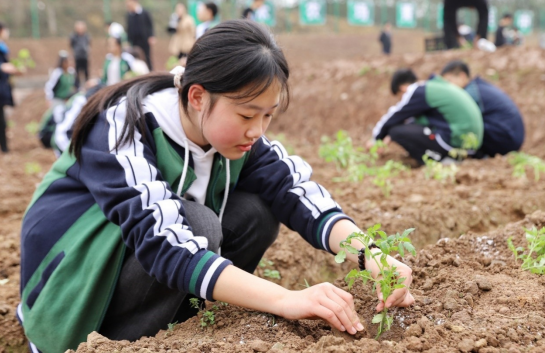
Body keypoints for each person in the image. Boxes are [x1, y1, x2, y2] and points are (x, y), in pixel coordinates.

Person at [18, 20, 414, 353]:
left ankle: (184, 327)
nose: (256, 131)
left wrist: (371, 255)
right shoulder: (126, 126)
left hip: (138, 260)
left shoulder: (236, 137)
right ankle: (123, 342)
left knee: (256, 213)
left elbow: (295, 190)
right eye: (246, 114)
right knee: (199, 226)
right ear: (197, 97)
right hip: (71, 280)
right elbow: (163, 241)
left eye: (267, 116)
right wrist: (286, 300)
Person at [367, 68, 483, 165]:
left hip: (453, 142)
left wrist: (376, 139)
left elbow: (394, 116)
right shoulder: (434, 88)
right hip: (471, 146)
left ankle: (439, 159)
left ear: (402, 88)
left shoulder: (417, 91)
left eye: (400, 97)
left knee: (395, 131)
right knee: (408, 127)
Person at [441, 60, 524, 157]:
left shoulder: (471, 93)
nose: (447, 87)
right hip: (510, 136)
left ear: (462, 76)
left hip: (506, 139)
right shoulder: (477, 87)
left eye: (449, 81)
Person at [0, 22, 23, 153]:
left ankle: (4, 148)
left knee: (2, 121)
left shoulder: (3, 48)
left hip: (2, 89)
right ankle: (4, 149)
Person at [126, 0, 155, 71]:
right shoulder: (129, 15)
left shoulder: (144, 13)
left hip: (144, 40)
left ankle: (149, 72)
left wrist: (151, 36)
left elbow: (150, 25)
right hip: (134, 41)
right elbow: (128, 28)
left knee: (147, 57)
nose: (128, 4)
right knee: (135, 57)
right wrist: (128, 40)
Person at [69, 21, 91, 89]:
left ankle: (87, 86)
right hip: (77, 57)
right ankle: (77, 87)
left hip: (84, 57)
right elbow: (71, 46)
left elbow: (89, 45)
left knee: (86, 72)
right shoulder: (73, 37)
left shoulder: (86, 36)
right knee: (77, 73)